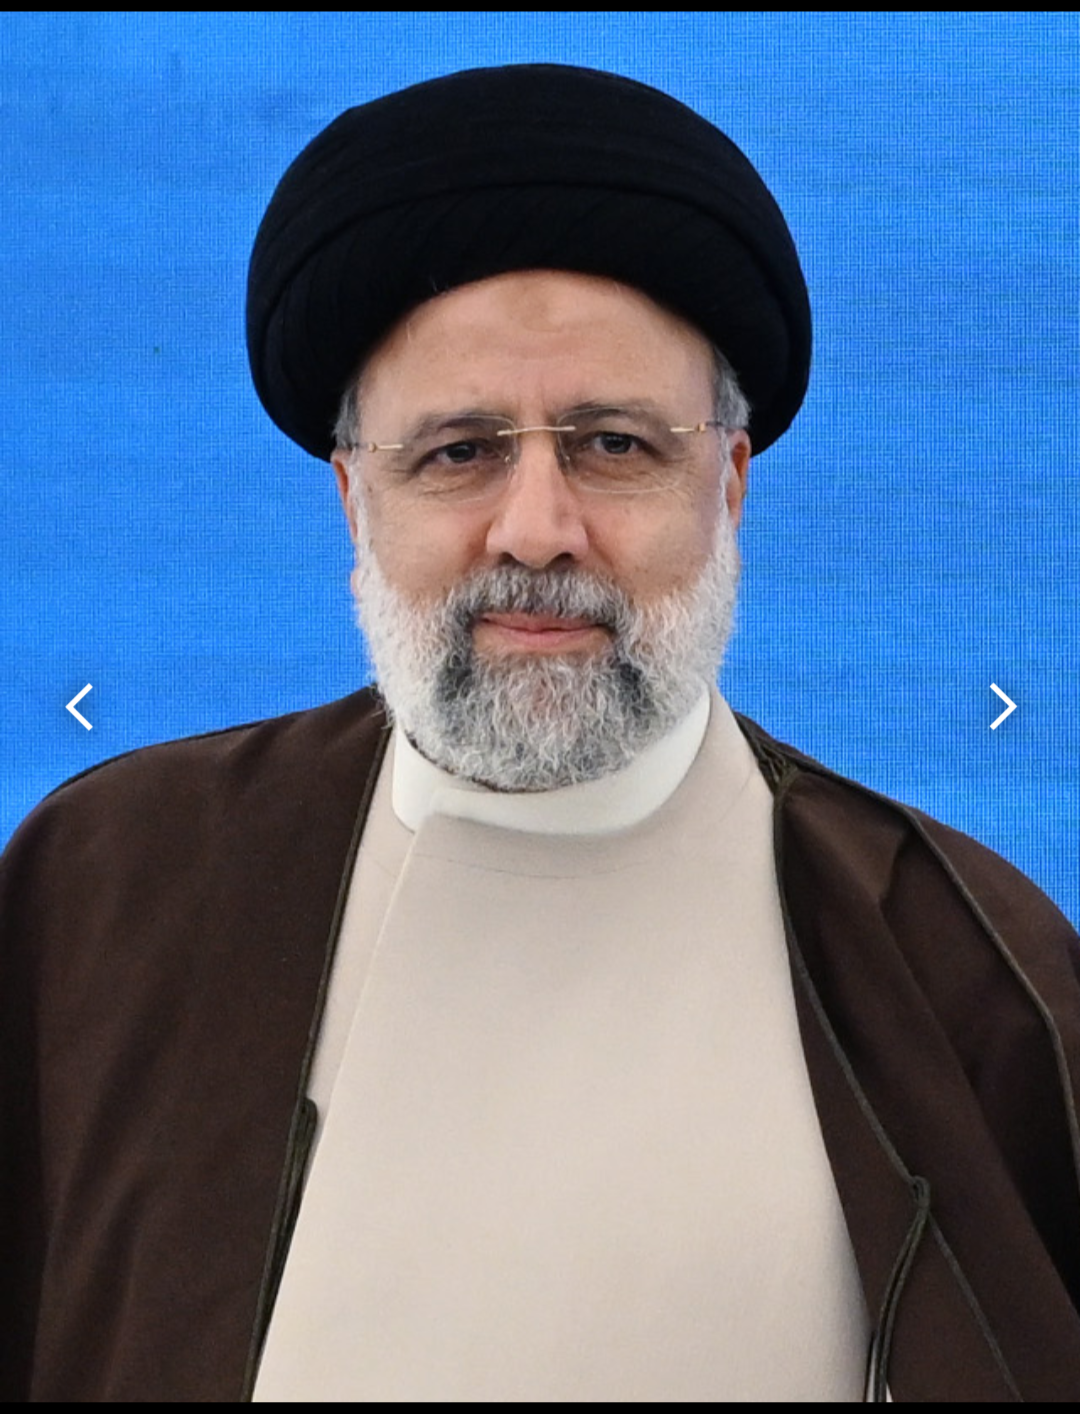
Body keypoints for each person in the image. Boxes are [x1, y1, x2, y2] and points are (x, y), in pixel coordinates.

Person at [2, 63, 1079, 1404]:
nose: (535, 530)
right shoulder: (107, 888)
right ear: (353, 498)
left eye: (613, 445)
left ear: (729, 483)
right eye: (458, 452)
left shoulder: (969, 965)